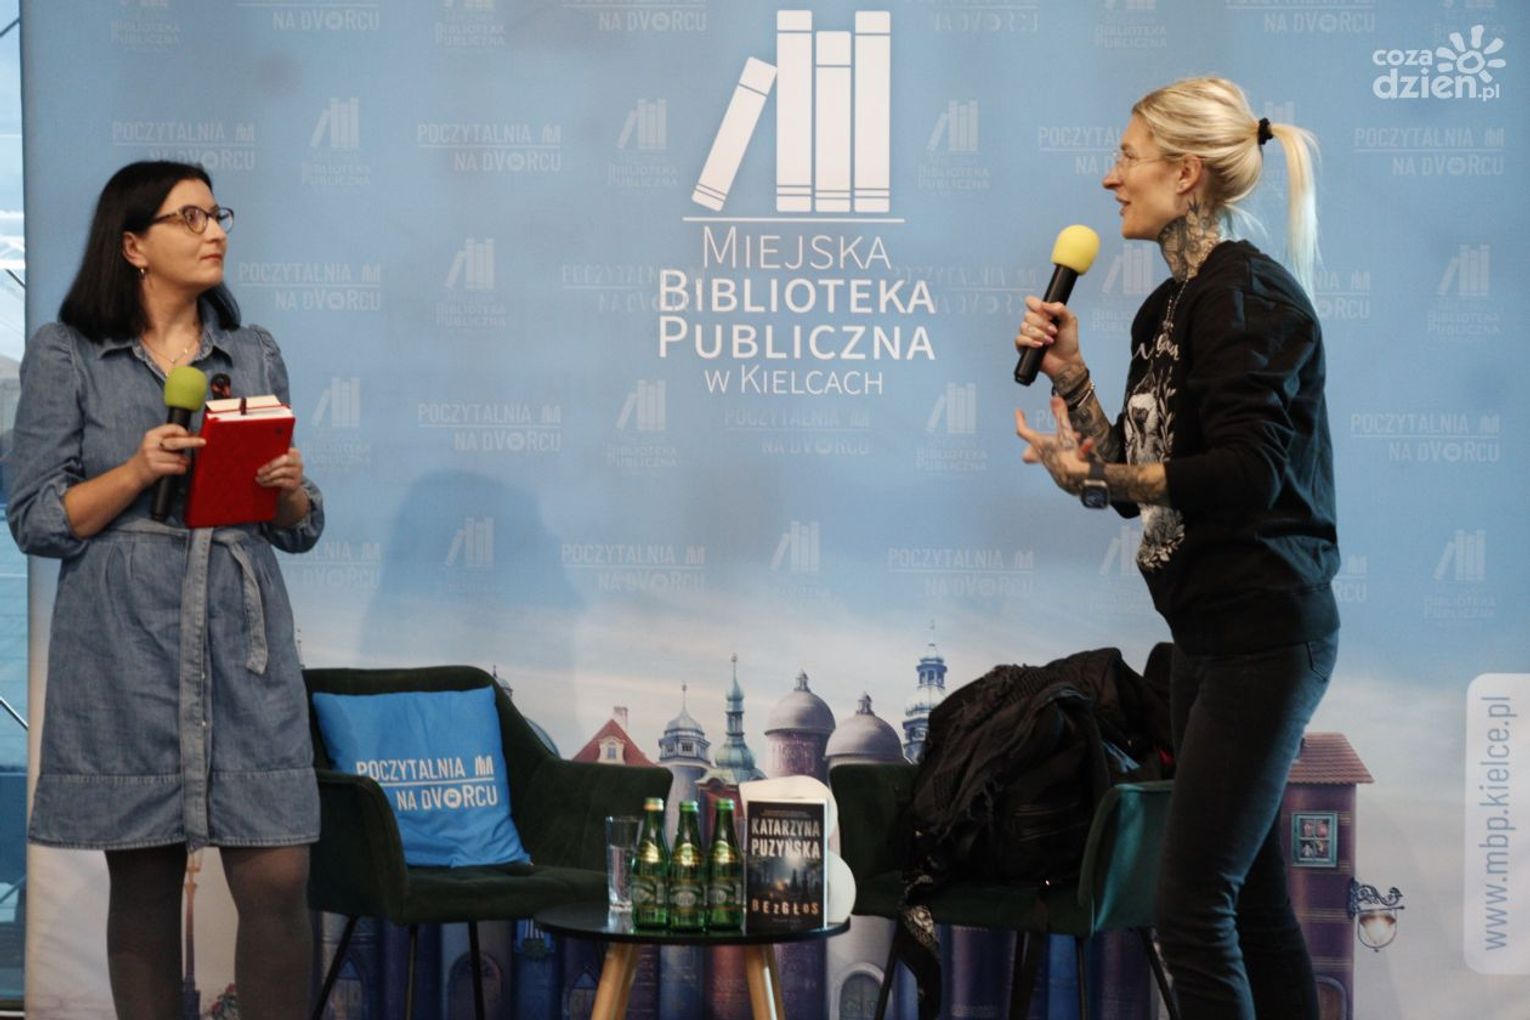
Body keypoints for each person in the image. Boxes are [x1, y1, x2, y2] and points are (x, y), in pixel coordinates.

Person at [1012, 78, 1338, 1019]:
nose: (1110, 178)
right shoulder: (1166, 307)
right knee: (1252, 908)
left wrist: (1095, 478)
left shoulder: (1246, 297)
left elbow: (1246, 473)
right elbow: (1140, 479)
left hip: (1266, 635)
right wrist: (1074, 380)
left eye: (1128, 156)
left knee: (1191, 908)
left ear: (1186, 174)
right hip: (1206, 639)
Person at [7, 161, 324, 1019]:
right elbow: (35, 518)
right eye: (190, 217)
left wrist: (288, 487)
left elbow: (297, 527)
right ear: (134, 246)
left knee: (279, 875)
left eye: (217, 215)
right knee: (144, 882)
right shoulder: (68, 354)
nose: (214, 231)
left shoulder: (252, 353)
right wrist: (136, 470)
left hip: (241, 642)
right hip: (125, 642)